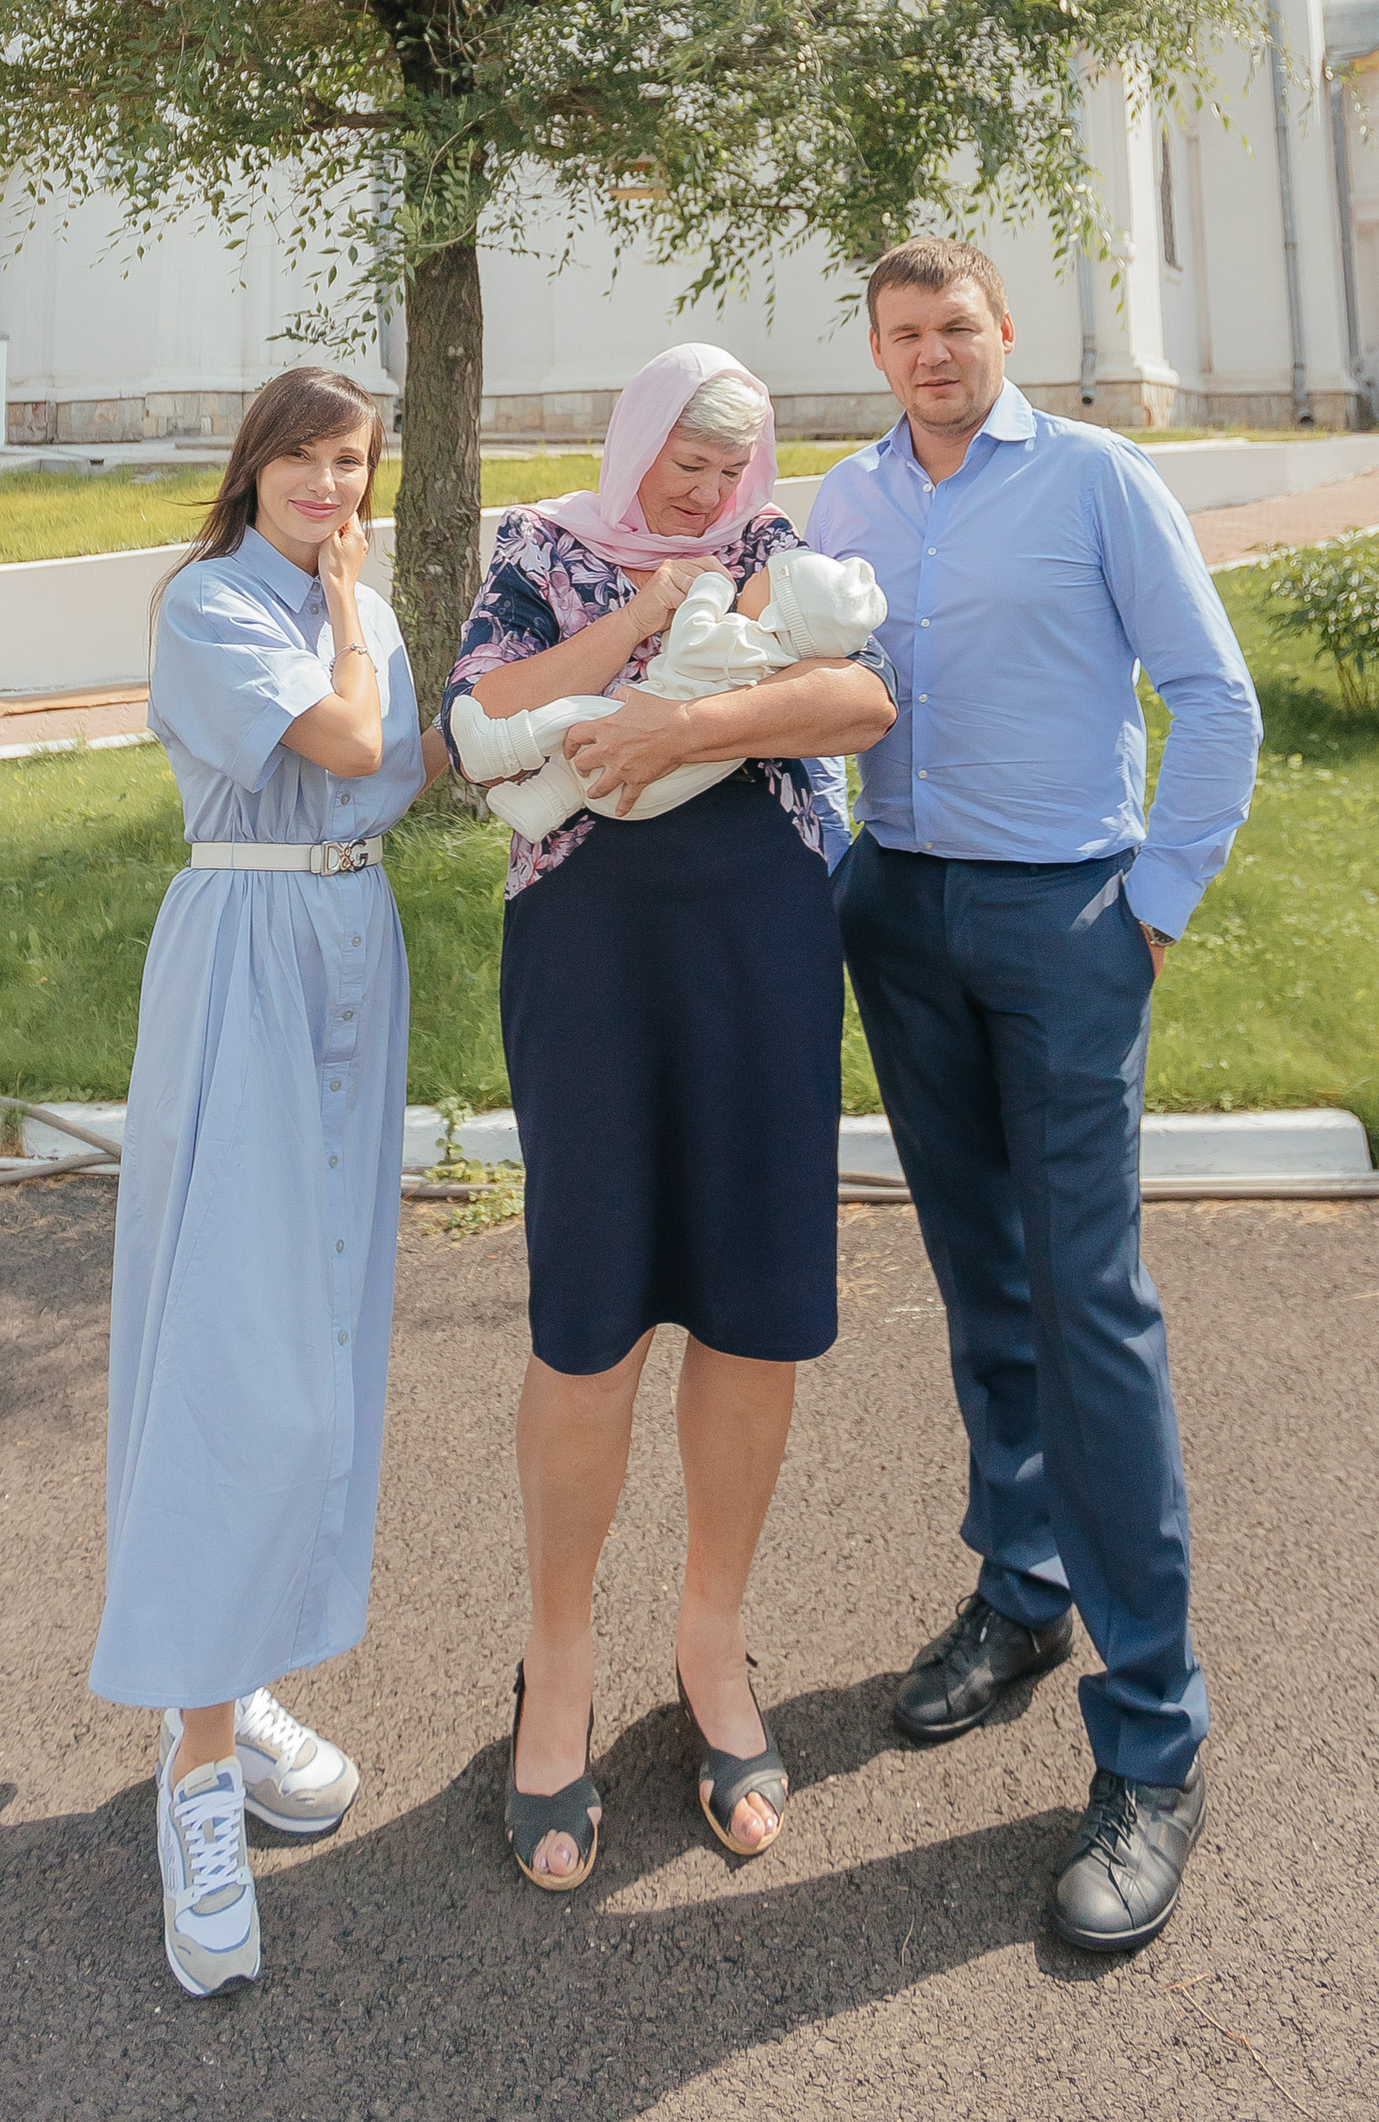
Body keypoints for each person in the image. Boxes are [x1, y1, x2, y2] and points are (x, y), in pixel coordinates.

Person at [808, 241, 1262, 1957]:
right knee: (982, 1284)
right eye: (904, 334)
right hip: (900, 912)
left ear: (1007, 337)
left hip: (1067, 916)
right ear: (877, 349)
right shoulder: (838, 500)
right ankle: (1023, 1591)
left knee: (1091, 1309)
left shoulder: (1095, 480)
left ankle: (1155, 1743)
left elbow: (1217, 701)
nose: (933, 354)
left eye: (958, 329)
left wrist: (1151, 909)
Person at [444, 345, 897, 1889]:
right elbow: (474, 719)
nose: (707, 495)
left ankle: (714, 1644)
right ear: (632, 440)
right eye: (683, 466)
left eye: (730, 469)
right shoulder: (541, 551)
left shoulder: (777, 554)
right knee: (591, 1321)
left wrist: (678, 730)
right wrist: (642, 621)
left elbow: (860, 700)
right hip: (589, 961)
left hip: (761, 953)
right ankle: (556, 1663)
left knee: (754, 1315)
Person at [90, 363, 444, 2000]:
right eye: (306, 460)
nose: (330, 487)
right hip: (246, 962)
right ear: (257, 470)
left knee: (322, 1348)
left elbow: (409, 780)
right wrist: (360, 621)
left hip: (350, 956)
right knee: (238, 1362)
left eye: (353, 463)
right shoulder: (219, 607)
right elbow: (362, 735)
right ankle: (197, 1768)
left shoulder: (330, 596)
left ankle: (234, 1682)